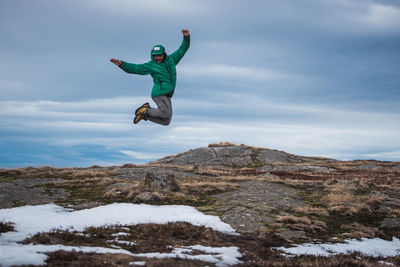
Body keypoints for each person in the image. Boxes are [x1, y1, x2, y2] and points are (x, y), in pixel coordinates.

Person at [110, 29, 190, 125]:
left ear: (163, 54)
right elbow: (136, 68)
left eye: (159, 55)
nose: (158, 58)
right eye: (155, 56)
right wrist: (121, 64)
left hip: (167, 93)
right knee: (164, 113)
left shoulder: (171, 60)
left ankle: (145, 115)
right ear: (152, 56)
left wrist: (186, 37)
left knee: (166, 121)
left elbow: (182, 50)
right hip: (159, 93)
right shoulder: (151, 65)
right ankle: (145, 110)